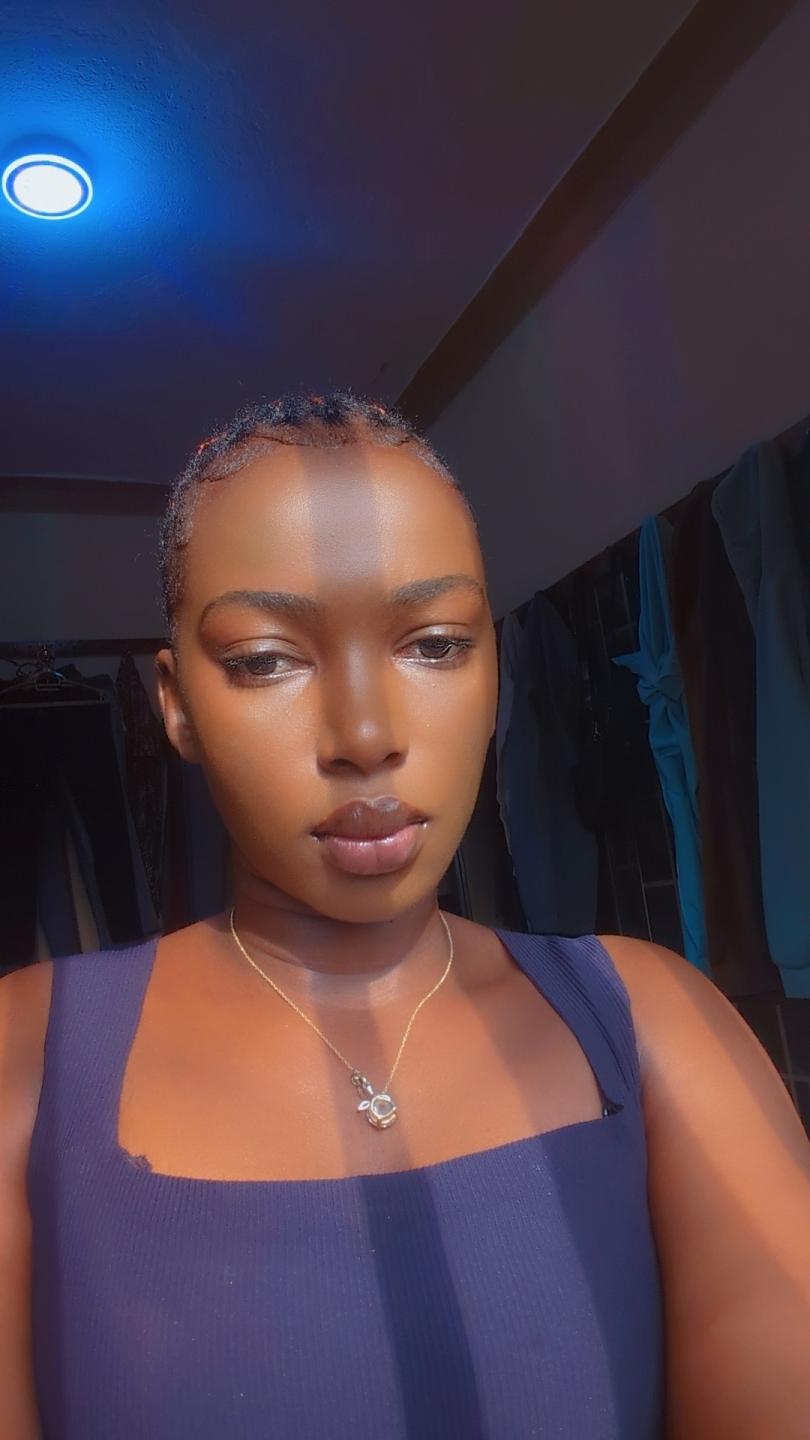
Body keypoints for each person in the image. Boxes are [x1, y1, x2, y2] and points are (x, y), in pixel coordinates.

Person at [1, 392, 809, 1439]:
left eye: (433, 643)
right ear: (176, 706)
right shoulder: (29, 1058)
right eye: (266, 659)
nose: (367, 733)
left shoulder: (649, 1017)